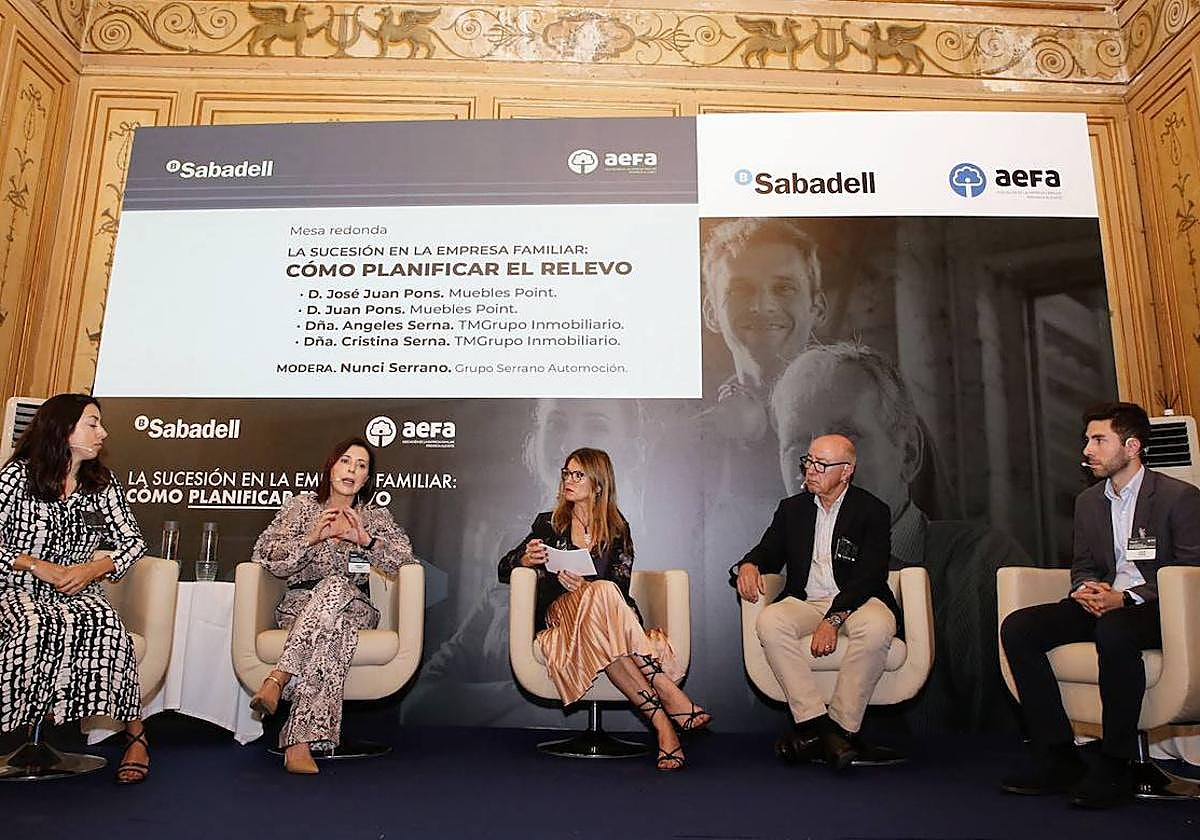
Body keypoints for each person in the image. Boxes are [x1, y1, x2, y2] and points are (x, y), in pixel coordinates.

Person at [770, 342, 1030, 732]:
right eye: (797, 445)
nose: (818, 465)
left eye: (846, 437)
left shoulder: (981, 567)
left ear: (908, 453)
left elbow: (1000, 738)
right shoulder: (782, 580)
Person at [1000, 401, 1200, 808]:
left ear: (1131, 446)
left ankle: (1116, 762)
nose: (1087, 450)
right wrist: (1086, 588)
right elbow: (1084, 564)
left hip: (1159, 609)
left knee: (1115, 629)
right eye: (1087, 440)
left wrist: (1125, 598)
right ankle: (1059, 756)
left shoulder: (1178, 497)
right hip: (1103, 603)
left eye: (1098, 440)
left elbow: (1191, 567)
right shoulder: (1089, 501)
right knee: (1019, 627)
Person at [498, 447, 710, 770]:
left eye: (578, 475)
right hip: (562, 616)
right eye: (566, 474)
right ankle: (666, 691)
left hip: (605, 620)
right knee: (603, 595)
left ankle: (663, 727)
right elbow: (503, 567)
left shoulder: (617, 529)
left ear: (597, 484)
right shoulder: (548, 524)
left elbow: (619, 589)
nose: (568, 481)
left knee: (604, 600)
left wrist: (586, 586)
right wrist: (525, 559)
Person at [0, 394, 149, 783]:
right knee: (34, 625)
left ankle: (137, 737)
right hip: (17, 587)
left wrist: (93, 569)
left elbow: (133, 542)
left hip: (79, 590)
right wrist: (36, 565)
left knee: (109, 625)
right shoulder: (17, 477)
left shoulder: (101, 484)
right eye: (92, 423)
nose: (103, 433)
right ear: (62, 429)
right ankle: (18, 731)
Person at [249, 436, 416, 774]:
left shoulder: (374, 517)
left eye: (361, 466)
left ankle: (279, 676)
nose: (352, 470)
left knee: (338, 585)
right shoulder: (301, 507)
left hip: (356, 606)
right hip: (301, 607)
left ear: (366, 479)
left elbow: (405, 561)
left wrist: (366, 540)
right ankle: (299, 743)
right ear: (331, 467)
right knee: (335, 630)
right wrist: (311, 538)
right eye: (346, 461)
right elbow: (264, 555)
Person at [735, 433, 898, 770]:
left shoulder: (872, 510)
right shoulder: (792, 509)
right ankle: (822, 730)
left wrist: (834, 618)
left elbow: (870, 574)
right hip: (806, 601)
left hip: (856, 599)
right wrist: (749, 564)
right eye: (808, 461)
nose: (810, 469)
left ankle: (840, 729)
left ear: (847, 471)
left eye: (821, 464)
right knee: (770, 621)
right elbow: (768, 550)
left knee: (879, 625)